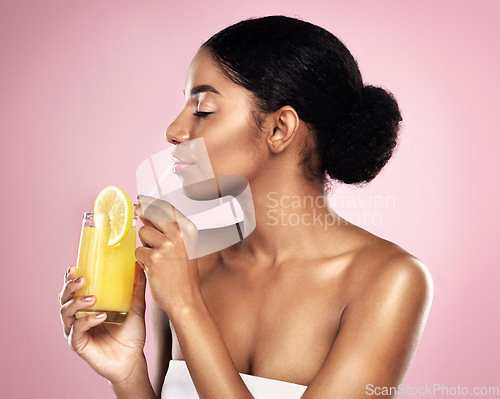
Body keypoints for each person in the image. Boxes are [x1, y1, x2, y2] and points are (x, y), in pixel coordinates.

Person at [59, 15, 433, 398]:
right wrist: (127, 374)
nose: (174, 131)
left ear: (279, 129)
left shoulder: (389, 280)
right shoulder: (187, 263)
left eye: (202, 110)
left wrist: (188, 307)